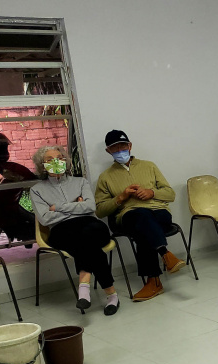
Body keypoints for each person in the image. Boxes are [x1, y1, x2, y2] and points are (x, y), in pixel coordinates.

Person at [95, 130, 185, 301]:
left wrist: (151, 193)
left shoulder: (149, 166)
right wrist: (121, 197)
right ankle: (165, 254)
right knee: (141, 217)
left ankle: (154, 282)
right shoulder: (105, 177)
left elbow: (170, 194)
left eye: (123, 146)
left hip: (159, 213)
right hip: (128, 216)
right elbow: (100, 211)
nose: (120, 150)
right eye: (115, 148)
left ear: (130, 146)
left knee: (143, 229)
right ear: (108, 151)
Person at [30, 145, 120, 315]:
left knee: (86, 237)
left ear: (66, 161)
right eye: (50, 159)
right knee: (86, 241)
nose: (56, 161)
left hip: (91, 225)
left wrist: (57, 208)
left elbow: (90, 207)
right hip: (61, 231)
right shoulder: (37, 190)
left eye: (60, 157)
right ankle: (111, 295)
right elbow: (44, 218)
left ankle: (84, 289)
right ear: (42, 165)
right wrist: (77, 205)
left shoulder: (80, 182)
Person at [0, 131, 36, 244]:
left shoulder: (11, 168)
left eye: (3, 148)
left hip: (13, 206)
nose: (4, 151)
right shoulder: (7, 167)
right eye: (1, 148)